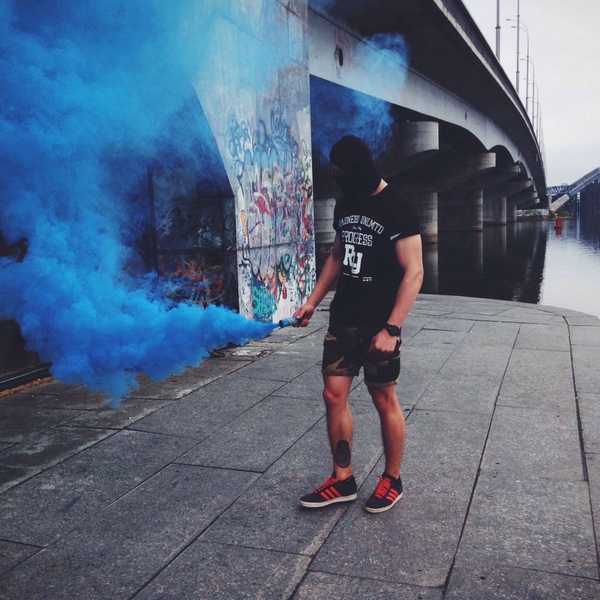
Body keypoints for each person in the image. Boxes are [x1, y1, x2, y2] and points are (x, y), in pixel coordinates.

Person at [294, 135, 423, 513]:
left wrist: (392, 329)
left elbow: (414, 272)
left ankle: (392, 480)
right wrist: (312, 301)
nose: (339, 179)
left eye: (342, 173)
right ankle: (342, 479)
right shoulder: (346, 201)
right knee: (333, 395)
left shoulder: (399, 208)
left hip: (379, 324)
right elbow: (337, 256)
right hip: (343, 319)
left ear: (360, 169)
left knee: (384, 399)